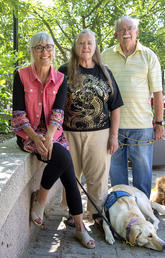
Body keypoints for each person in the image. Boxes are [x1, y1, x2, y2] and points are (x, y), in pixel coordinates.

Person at [11, 32, 95, 249]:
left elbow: (58, 113)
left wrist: (48, 137)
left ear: (53, 51)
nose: (44, 51)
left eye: (48, 47)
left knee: (67, 168)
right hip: (27, 134)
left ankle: (76, 225)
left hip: (52, 133)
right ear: (32, 51)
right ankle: (51, 207)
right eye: (39, 47)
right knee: (64, 158)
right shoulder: (20, 75)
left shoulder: (60, 78)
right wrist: (36, 138)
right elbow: (19, 114)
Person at [58, 29, 123, 227]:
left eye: (89, 43)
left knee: (98, 175)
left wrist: (114, 136)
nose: (85, 47)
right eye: (81, 43)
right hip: (69, 133)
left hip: (100, 133)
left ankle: (96, 212)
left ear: (95, 47)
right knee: (71, 174)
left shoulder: (105, 72)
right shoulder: (64, 71)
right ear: (75, 47)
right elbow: (54, 104)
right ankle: (73, 212)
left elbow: (116, 106)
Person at [101, 16, 165, 199]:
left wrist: (159, 123)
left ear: (137, 32)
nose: (126, 32)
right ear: (115, 34)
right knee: (116, 175)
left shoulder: (149, 56)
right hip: (113, 127)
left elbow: (158, 92)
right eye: (121, 29)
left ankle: (143, 212)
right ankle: (122, 208)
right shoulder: (105, 56)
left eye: (130, 29)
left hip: (141, 126)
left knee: (143, 177)